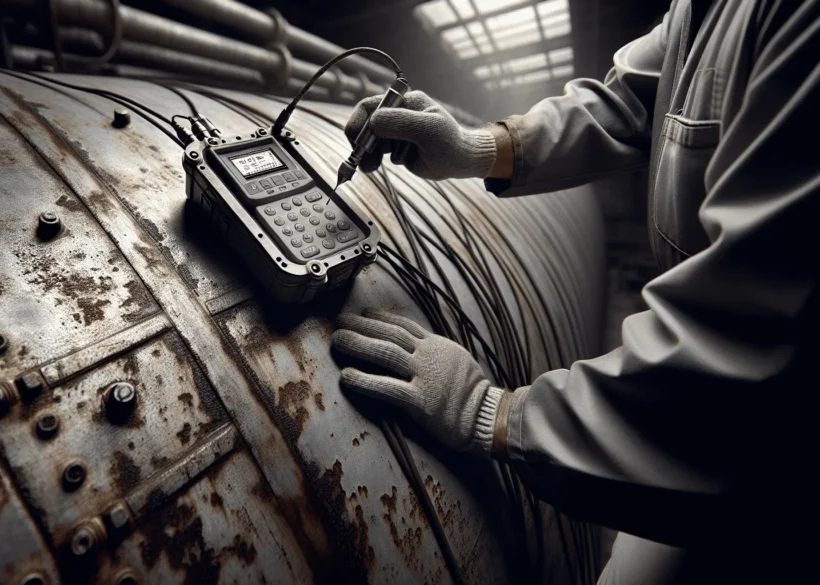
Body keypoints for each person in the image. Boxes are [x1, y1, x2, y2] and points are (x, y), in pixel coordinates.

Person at [331, 0, 817, 582]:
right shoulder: (700, 10)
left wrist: (492, 412)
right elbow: (626, 103)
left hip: (773, 463)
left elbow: (753, 351)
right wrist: (478, 147)